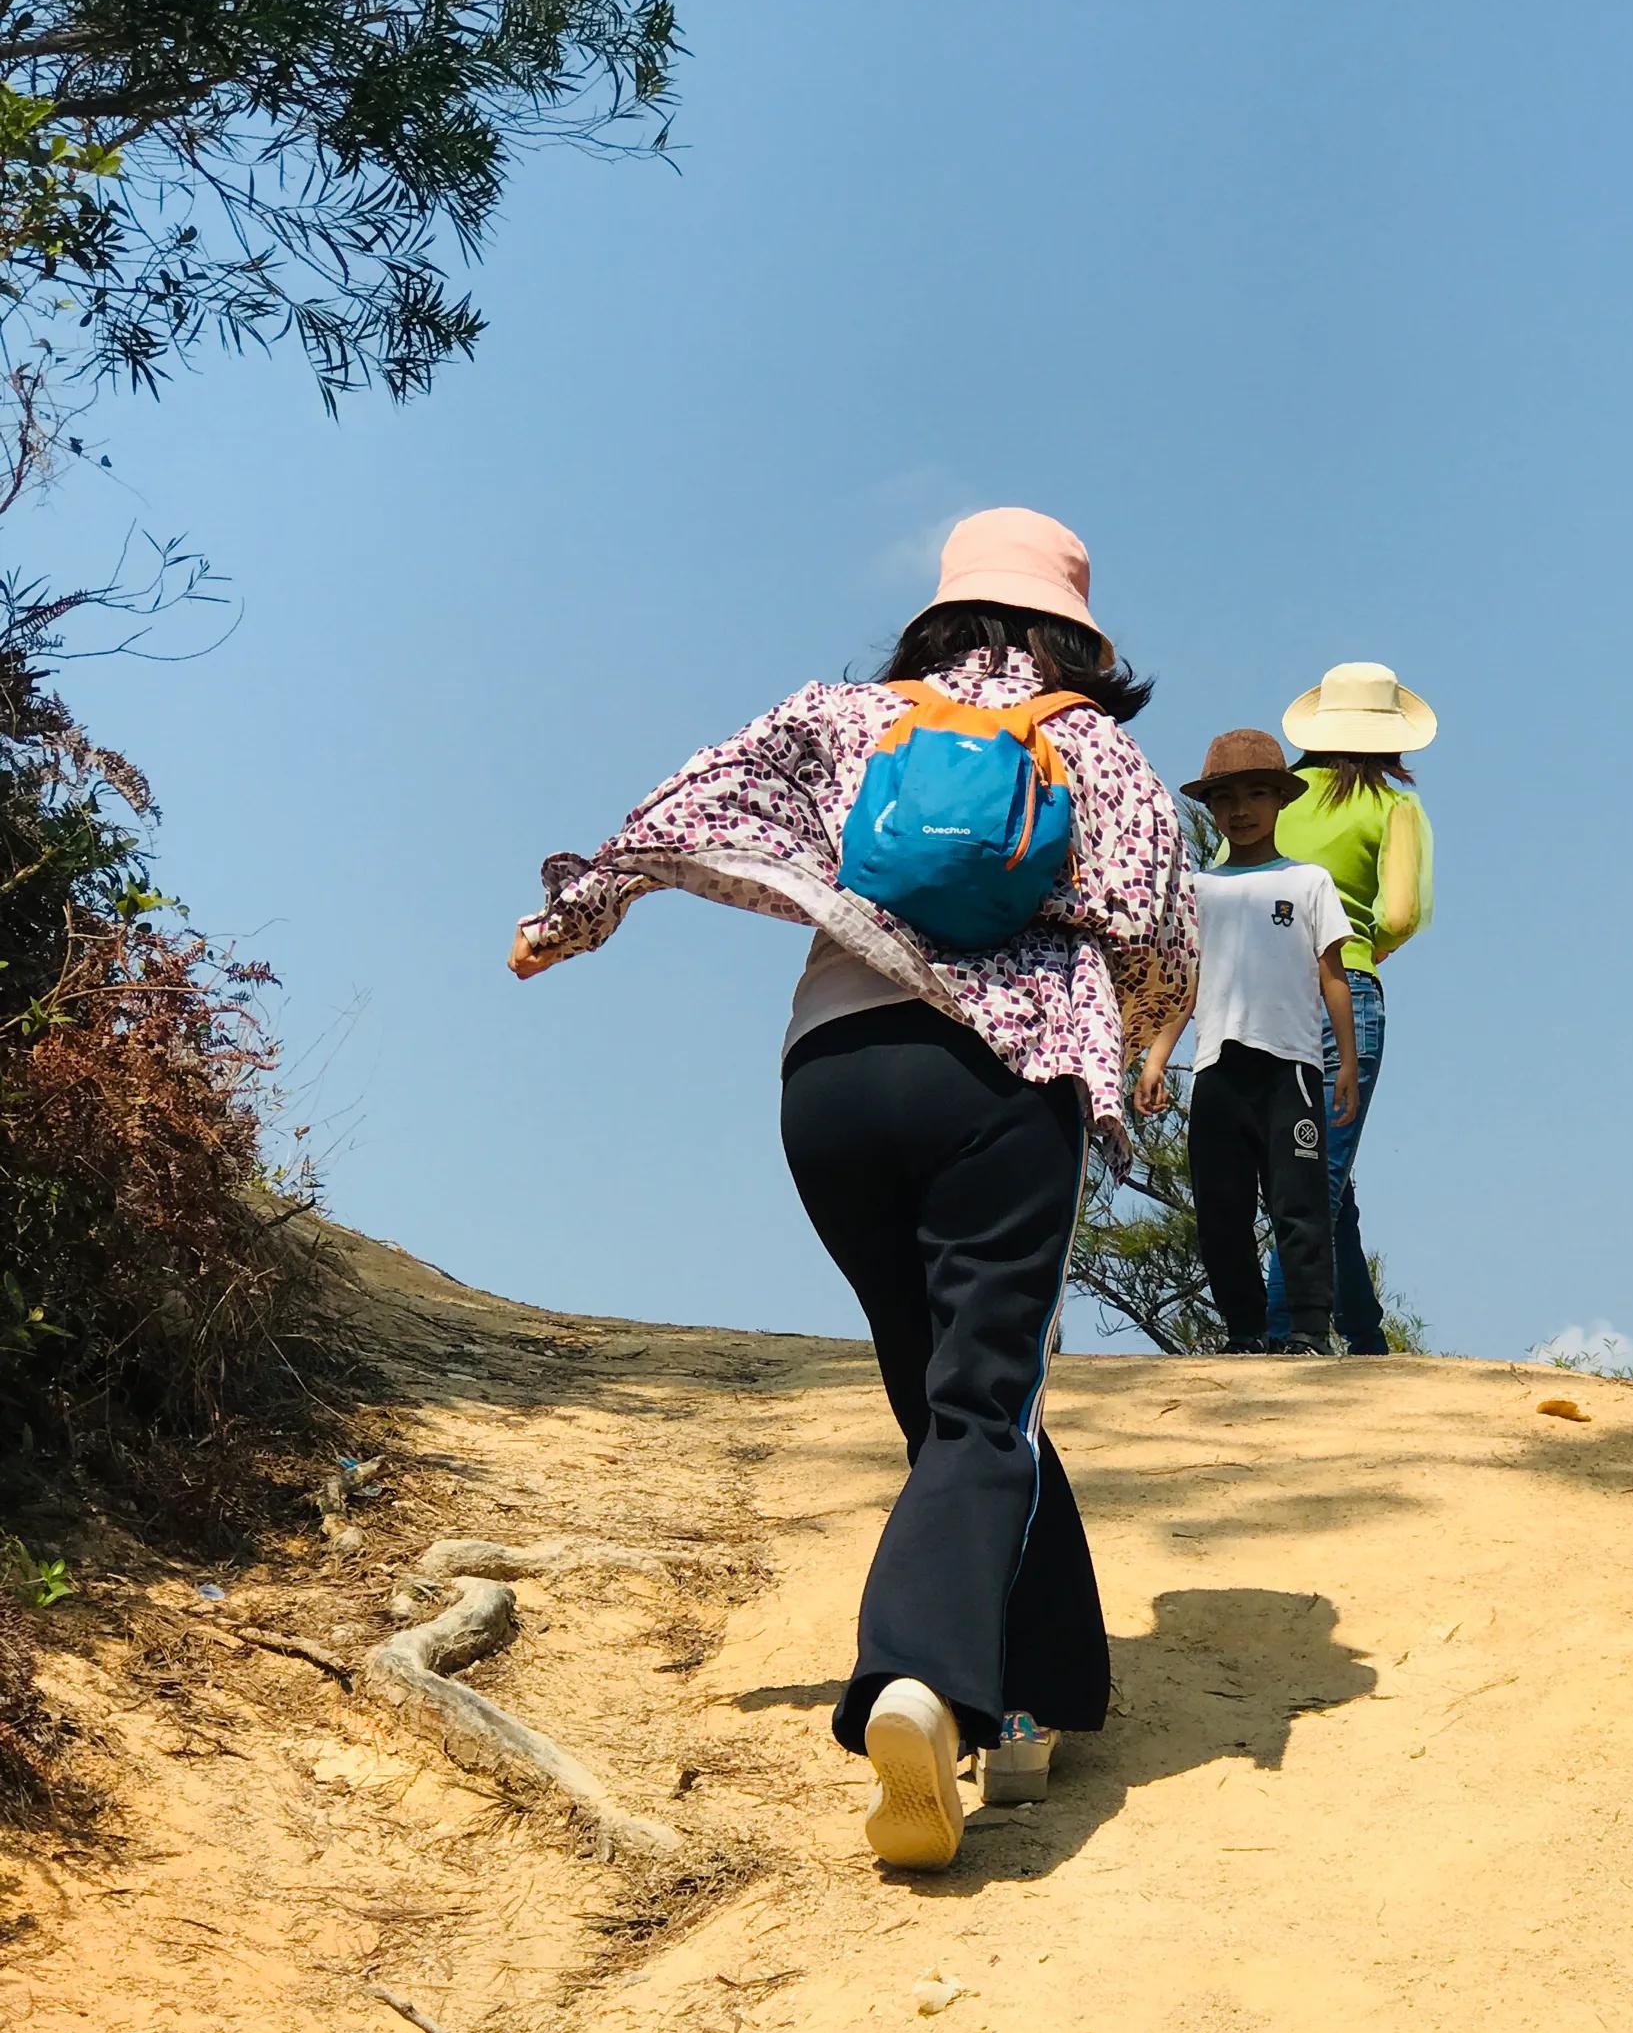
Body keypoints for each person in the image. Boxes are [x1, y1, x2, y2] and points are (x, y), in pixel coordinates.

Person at [507, 508, 1193, 1869]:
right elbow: (1157, 930)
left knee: (944, 1399)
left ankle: (1044, 1693)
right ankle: (918, 1683)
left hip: (830, 1081)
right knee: (984, 1400)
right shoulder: (1092, 744)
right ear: (1075, 633)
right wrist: (1146, 1049)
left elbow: (684, 809)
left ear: (937, 615)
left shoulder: (842, 715)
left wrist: (577, 910)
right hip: (999, 1076)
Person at [1136, 731, 1359, 1354]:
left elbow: (1332, 973)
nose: (1243, 810)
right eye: (1227, 798)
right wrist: (1156, 1058)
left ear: (1281, 801)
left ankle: (1312, 1329)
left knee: (1299, 1202)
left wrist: (1341, 1062)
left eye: (1258, 794)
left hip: (1290, 1065)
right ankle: (1244, 1330)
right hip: (1217, 1069)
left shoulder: (1308, 881)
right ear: (1211, 809)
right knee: (1221, 1207)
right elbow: (1186, 984)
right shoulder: (1198, 890)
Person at [1267, 661, 1437, 1355]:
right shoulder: (1396, 806)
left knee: (1313, 1165)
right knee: (1318, 1171)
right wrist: (1366, 945)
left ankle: (1364, 1336)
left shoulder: (1269, 798)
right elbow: (1400, 912)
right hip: (1349, 992)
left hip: (1267, 998)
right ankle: (1283, 1330)